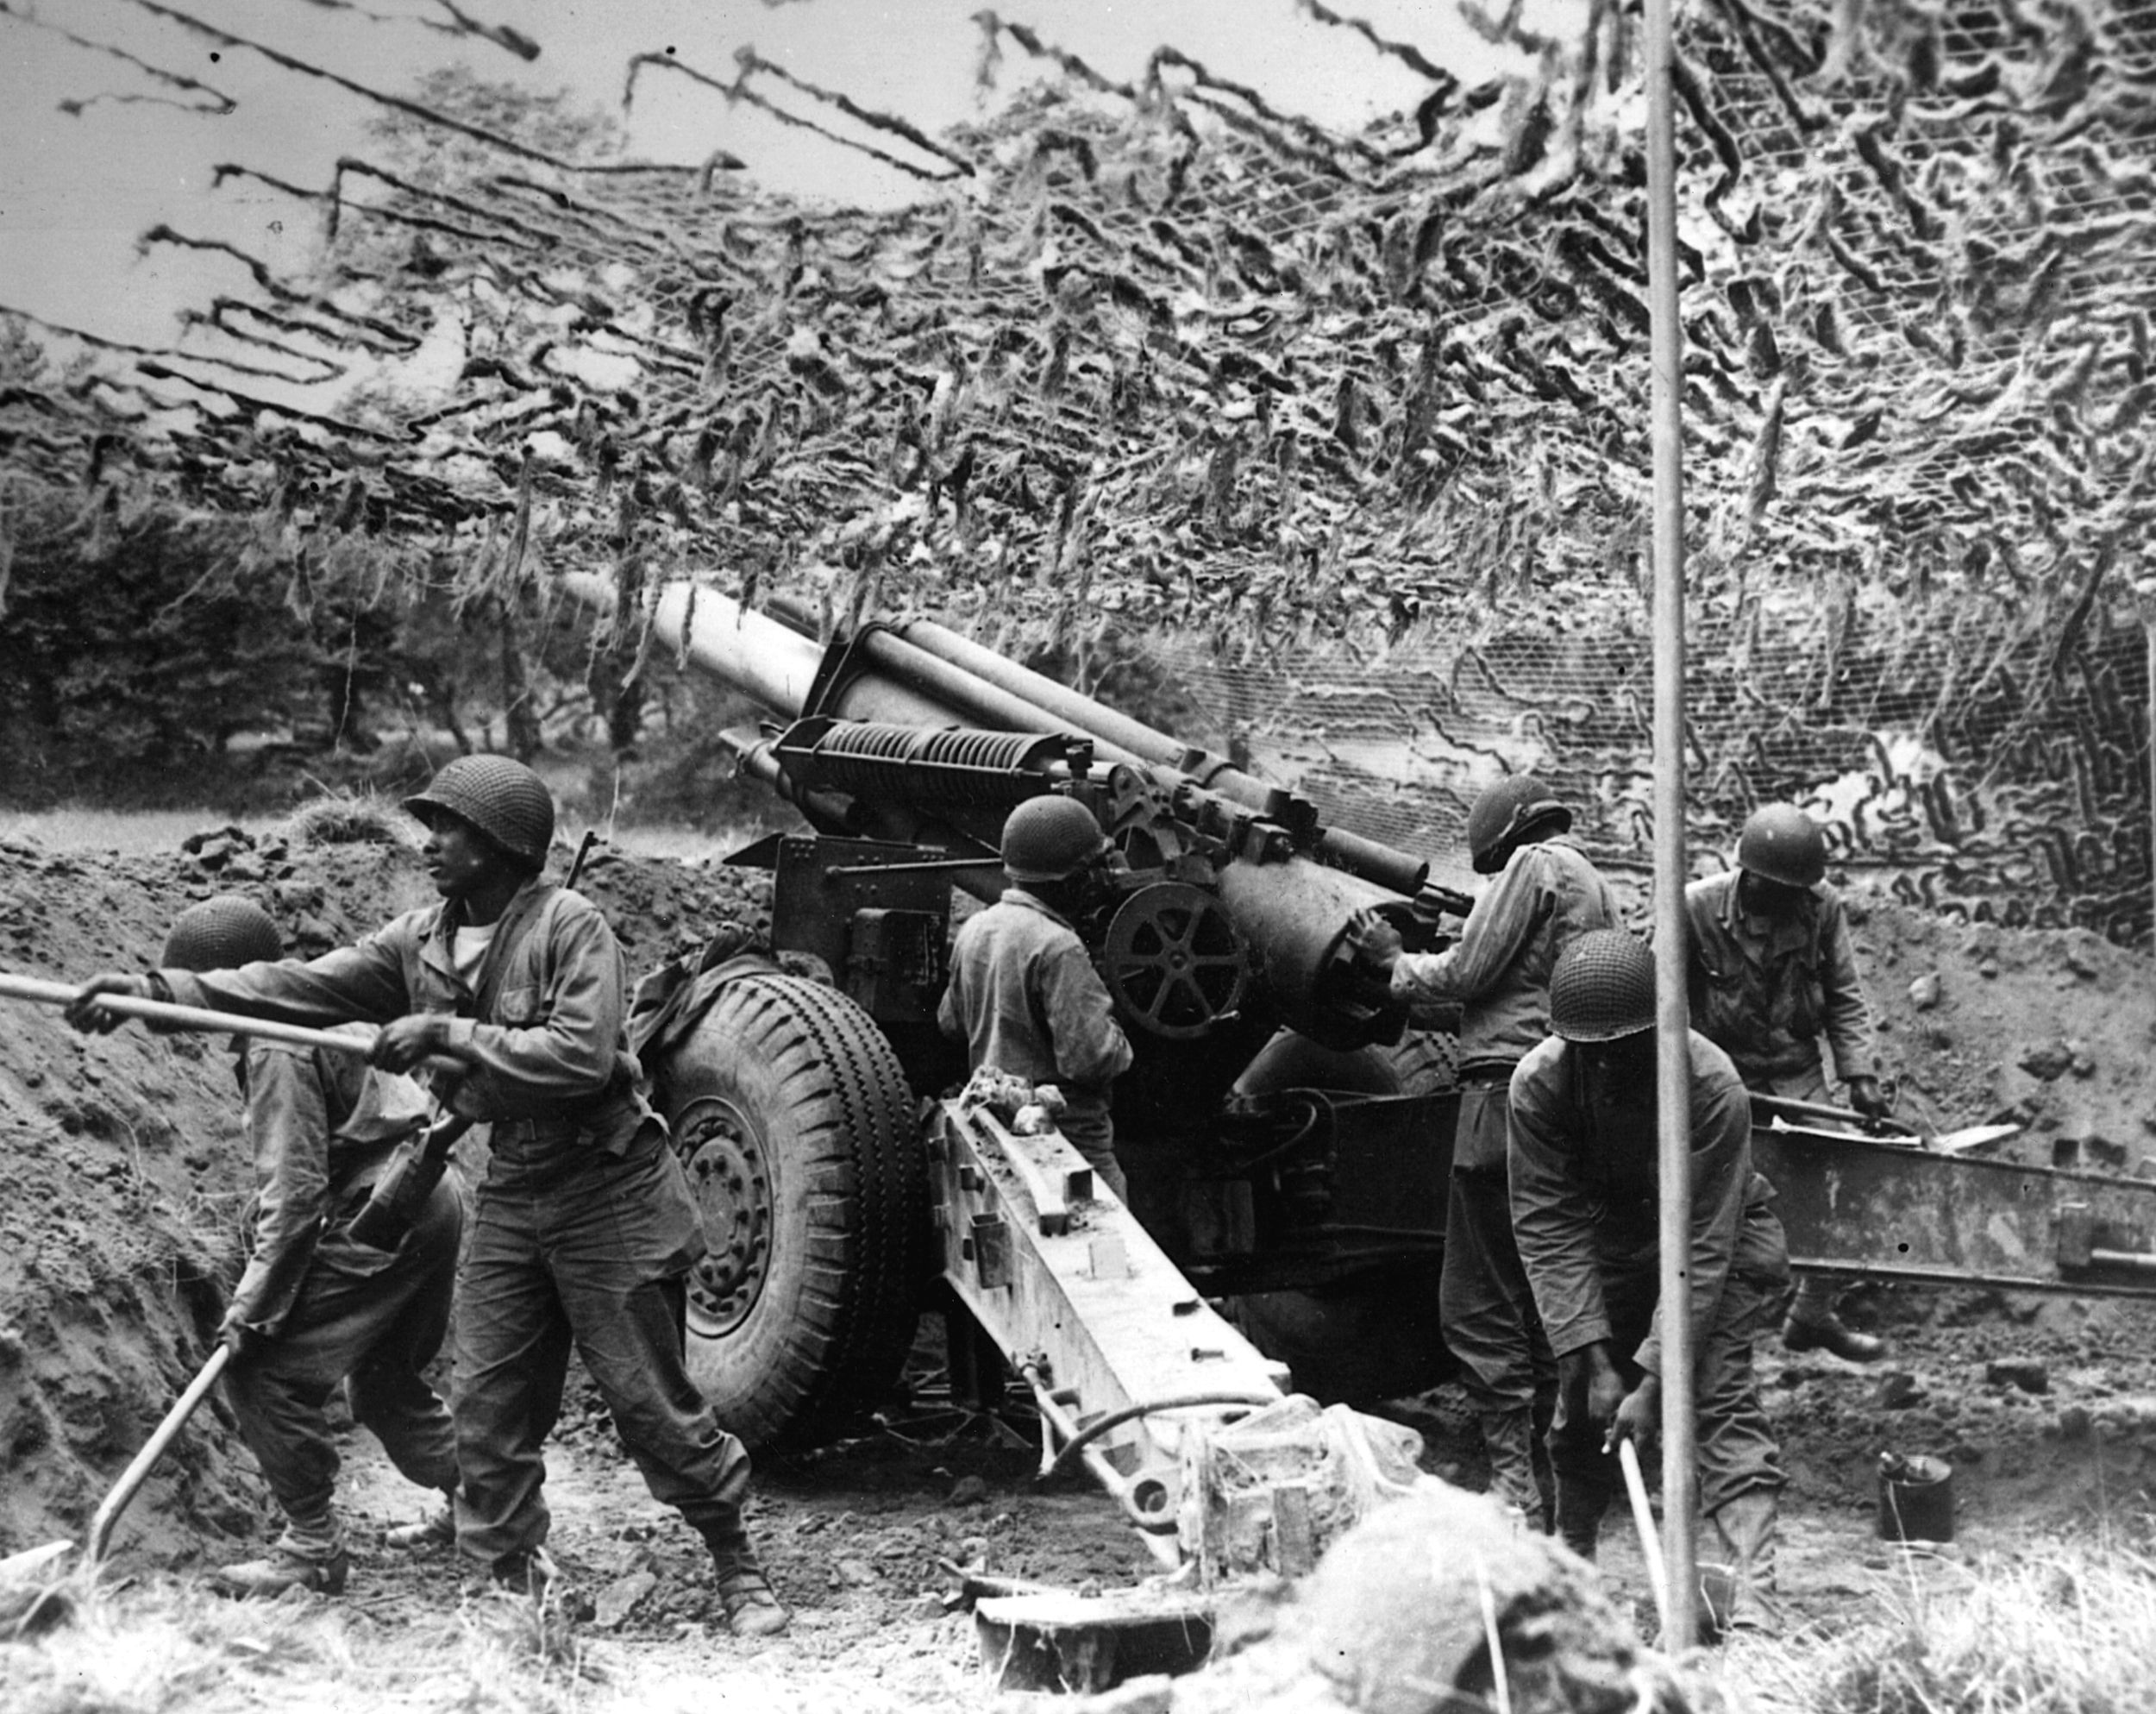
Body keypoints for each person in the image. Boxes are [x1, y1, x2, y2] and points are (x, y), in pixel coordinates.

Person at [69, 756, 788, 1636]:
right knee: (489, 1406)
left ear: (500, 845)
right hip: (517, 1184)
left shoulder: (570, 925)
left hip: (611, 1185)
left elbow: (583, 1056)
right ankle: (508, 1593)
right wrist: (158, 994)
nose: (428, 842)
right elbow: (297, 986)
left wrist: (449, 1033)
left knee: (650, 1404)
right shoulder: (417, 942)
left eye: (446, 826)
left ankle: (733, 1563)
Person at [147, 895, 463, 1598]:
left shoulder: (276, 1042)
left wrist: (252, 1307)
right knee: (380, 1379)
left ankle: (313, 1546)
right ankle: (483, 1501)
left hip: (386, 1210)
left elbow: (291, 1198)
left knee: (261, 1369)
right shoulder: (319, 1009)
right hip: (430, 1195)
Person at [1346, 773, 1617, 1532]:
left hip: (1499, 1104)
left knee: (1476, 1300)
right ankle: (1559, 1481)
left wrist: (1392, 957)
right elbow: (1486, 991)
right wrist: (1413, 980)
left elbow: (1467, 974)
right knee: (1541, 1296)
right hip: (1562, 1096)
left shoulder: (1532, 867)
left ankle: (1515, 1489)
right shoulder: (1592, 881)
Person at [1508, 929, 1789, 1635]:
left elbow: (1702, 1242)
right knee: (1581, 1408)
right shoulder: (1539, 1084)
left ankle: (1754, 1600)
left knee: (1716, 1401)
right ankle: (1571, 1575)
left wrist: (1658, 1380)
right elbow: (1548, 1226)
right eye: (1588, 1052)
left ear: (1657, 1029)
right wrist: (1596, 1361)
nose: (1604, 1067)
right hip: (1610, 1241)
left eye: (1622, 1051)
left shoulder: (1712, 1086)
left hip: (1715, 1240)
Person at [1682, 803, 1889, 1363]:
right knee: (1717, 1197)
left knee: (1846, 1178)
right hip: (1722, 1076)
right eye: (1784, 890)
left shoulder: (1821, 907)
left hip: (1795, 1071)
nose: (1796, 900)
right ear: (1752, 878)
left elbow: (1844, 994)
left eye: (1803, 889)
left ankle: (1812, 1316)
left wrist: (1861, 1075)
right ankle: (1708, 1337)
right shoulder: (1695, 909)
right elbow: (1662, 1005)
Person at [938, 794, 1134, 1199]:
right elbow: (1091, 1059)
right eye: (1093, 870)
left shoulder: (976, 928)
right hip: (1069, 1139)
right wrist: (1117, 1023)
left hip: (997, 1122)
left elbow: (950, 1023)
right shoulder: (1058, 946)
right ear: (1073, 880)